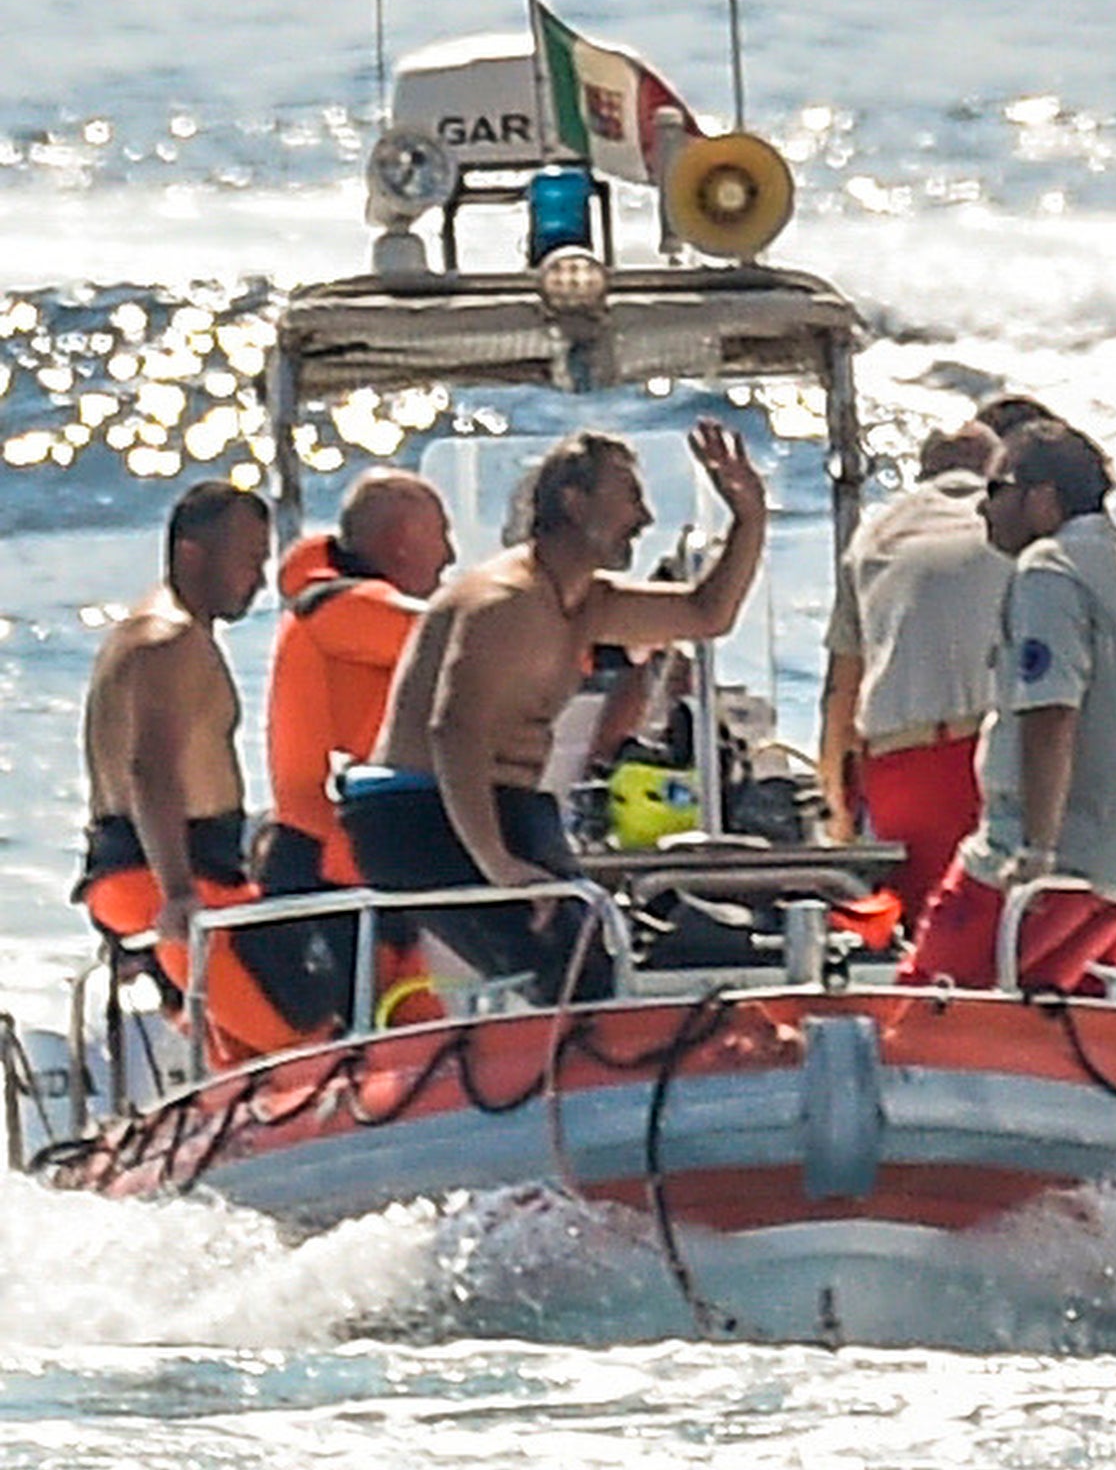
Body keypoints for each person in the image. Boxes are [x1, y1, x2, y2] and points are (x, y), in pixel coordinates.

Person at [350, 424, 773, 1003]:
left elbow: (706, 613)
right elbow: (454, 732)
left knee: (599, 954)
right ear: (574, 502)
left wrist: (749, 518)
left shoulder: (581, 602)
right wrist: (497, 865)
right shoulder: (505, 601)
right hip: (420, 815)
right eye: (629, 497)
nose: (645, 517)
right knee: (573, 969)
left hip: (502, 806)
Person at [906, 424, 1116, 998]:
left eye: (996, 489)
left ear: (1041, 498)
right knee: (1025, 1000)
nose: (981, 505)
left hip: (1072, 855)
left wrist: (1036, 853)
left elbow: (1050, 715)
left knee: (925, 993)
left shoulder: (1050, 568)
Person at [78, 482, 310, 1055]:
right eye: (246, 561)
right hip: (168, 879)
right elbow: (149, 770)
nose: (259, 579)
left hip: (154, 871)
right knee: (305, 1039)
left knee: (241, 1054)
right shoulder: (171, 640)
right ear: (190, 554)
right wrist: (179, 892)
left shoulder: (142, 633)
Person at [821, 407, 1036, 916]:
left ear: (922, 474)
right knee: (1008, 931)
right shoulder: (1014, 524)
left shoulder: (872, 536)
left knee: (925, 928)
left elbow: (840, 695)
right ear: (995, 470)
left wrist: (838, 812)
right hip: (993, 756)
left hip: (900, 769)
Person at [258, 464, 448, 919]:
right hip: (329, 867)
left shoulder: (335, 607)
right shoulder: (339, 609)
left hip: (354, 855)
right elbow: (461, 638)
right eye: (443, 534)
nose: (451, 554)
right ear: (403, 541)